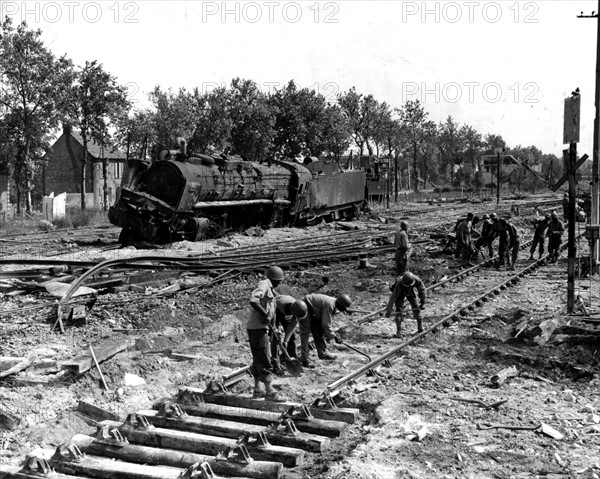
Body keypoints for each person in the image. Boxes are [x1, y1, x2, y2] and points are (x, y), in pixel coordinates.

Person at [247, 266, 286, 402]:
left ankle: (258, 389)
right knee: (264, 358)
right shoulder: (264, 284)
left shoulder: (271, 291)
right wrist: (264, 313)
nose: (279, 283)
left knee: (258, 358)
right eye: (279, 281)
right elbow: (253, 300)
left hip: (262, 328)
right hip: (257, 327)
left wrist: (274, 328)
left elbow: (272, 312)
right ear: (274, 279)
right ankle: (269, 391)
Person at [299, 293, 352, 368]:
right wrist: (334, 336)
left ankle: (323, 353)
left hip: (313, 310)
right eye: (344, 307)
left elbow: (325, 322)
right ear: (340, 304)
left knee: (318, 330)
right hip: (304, 306)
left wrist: (330, 334)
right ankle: (304, 359)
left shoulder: (333, 304)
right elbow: (326, 324)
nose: (345, 310)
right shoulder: (330, 305)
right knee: (305, 333)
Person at [270, 296, 307, 374]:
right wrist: (275, 329)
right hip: (273, 310)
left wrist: (286, 340)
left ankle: (292, 358)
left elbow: (291, 326)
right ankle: (276, 365)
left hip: (286, 311)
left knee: (292, 336)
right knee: (275, 338)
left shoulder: (297, 308)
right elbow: (272, 318)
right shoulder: (281, 304)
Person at [385, 271, 426, 336]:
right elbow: (393, 298)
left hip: (410, 292)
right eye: (407, 286)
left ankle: (420, 328)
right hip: (400, 293)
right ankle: (399, 331)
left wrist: (423, 301)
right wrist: (388, 310)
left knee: (416, 307)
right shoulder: (399, 284)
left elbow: (422, 290)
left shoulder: (416, 280)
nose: (408, 286)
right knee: (399, 310)